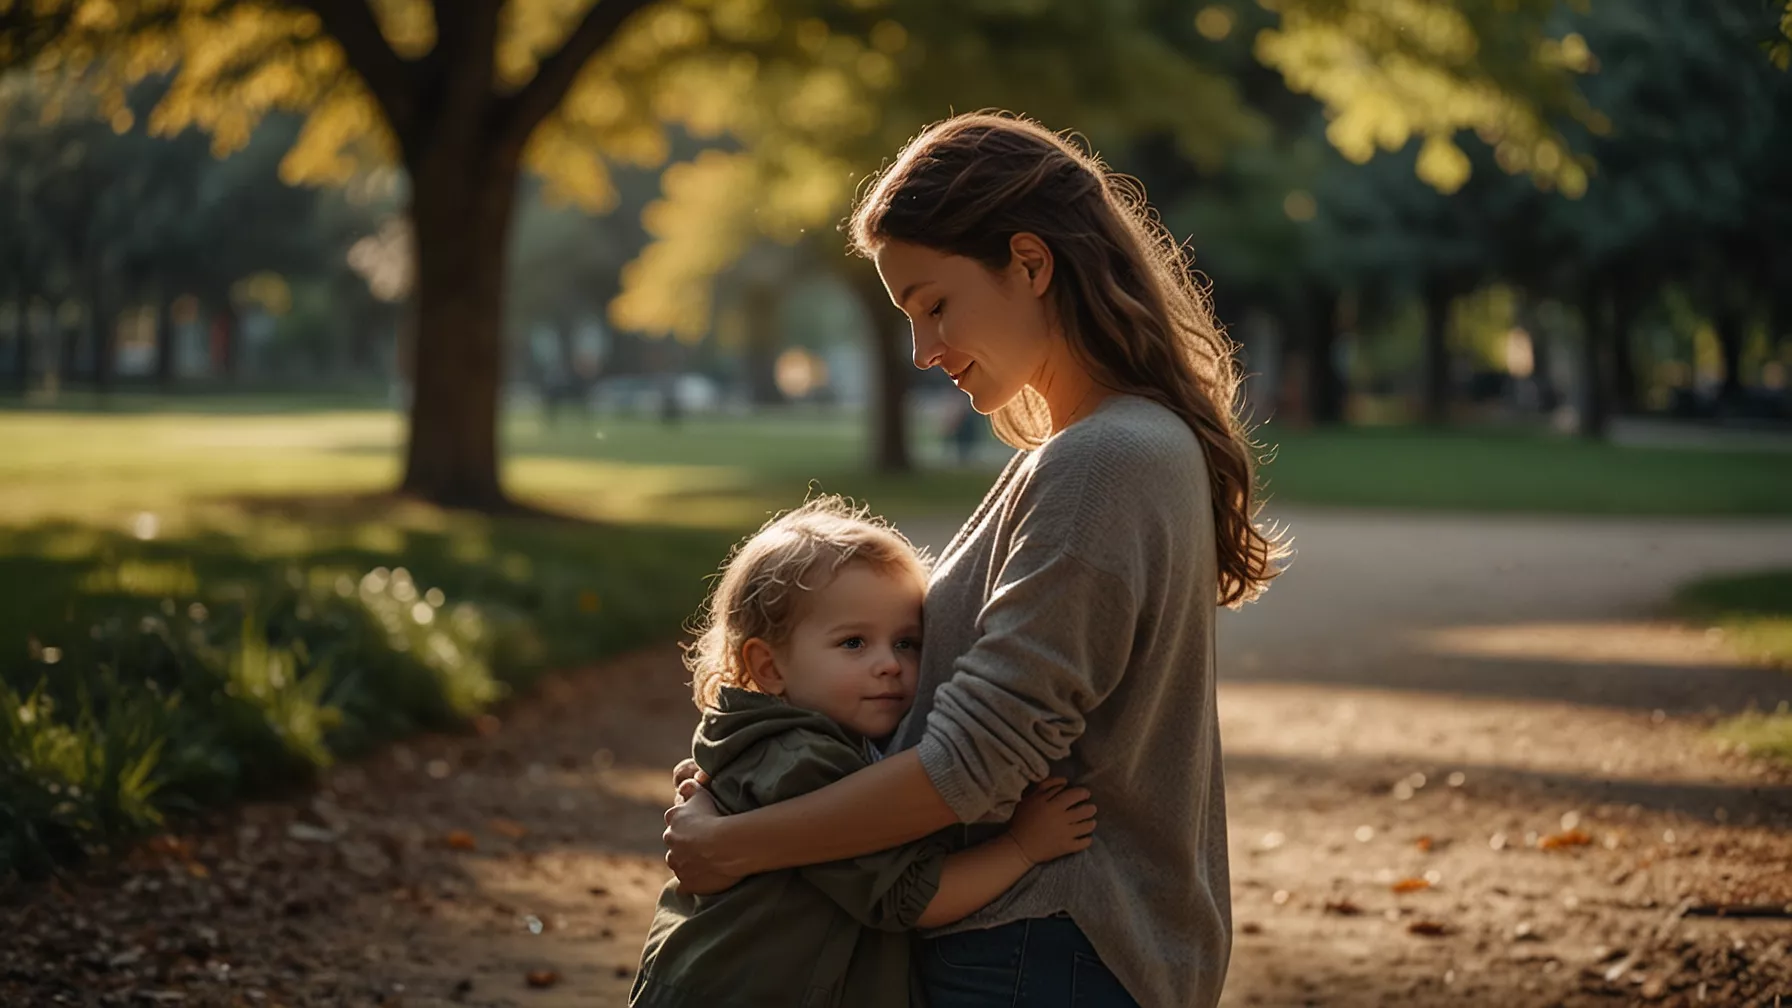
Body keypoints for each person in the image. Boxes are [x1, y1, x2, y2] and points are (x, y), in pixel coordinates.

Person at [662, 112, 1285, 1007]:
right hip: (1043, 949)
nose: (924, 352)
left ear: (1030, 263)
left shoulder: (1104, 461)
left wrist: (741, 841)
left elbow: (972, 763)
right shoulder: (1095, 451)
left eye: (935, 305)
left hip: (1043, 950)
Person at [631, 496, 1098, 1008]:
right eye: (854, 643)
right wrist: (1023, 847)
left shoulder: (789, 739)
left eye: (907, 643)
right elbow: (909, 897)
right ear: (768, 667)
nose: (889, 665)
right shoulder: (804, 761)